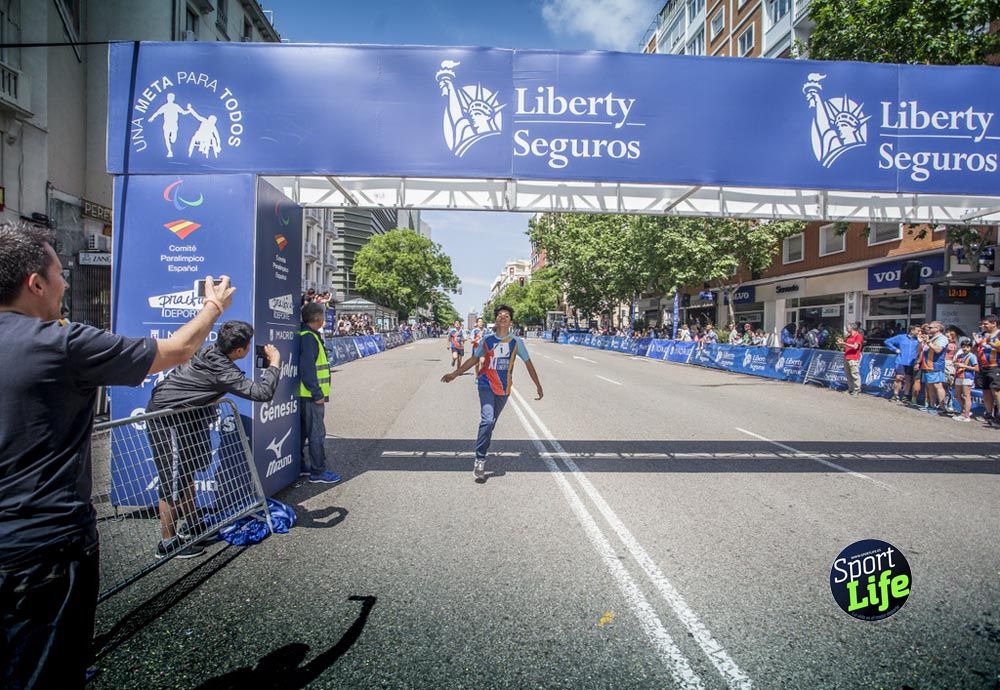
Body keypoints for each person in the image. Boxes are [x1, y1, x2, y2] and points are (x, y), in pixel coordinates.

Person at [0, 222, 234, 689]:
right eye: (61, 272)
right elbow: (178, 349)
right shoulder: (62, 344)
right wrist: (212, 306)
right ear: (36, 283)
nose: (66, 282)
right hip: (45, 548)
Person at [146, 321, 281, 558]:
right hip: (167, 417)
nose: (250, 349)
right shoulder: (224, 370)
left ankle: (193, 524)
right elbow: (262, 393)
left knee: (186, 472)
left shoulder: (211, 350)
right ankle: (167, 543)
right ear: (239, 351)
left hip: (186, 416)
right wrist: (275, 364)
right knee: (172, 479)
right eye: (248, 346)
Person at [441, 304, 543, 481]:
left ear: (511, 321)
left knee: (491, 424)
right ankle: (480, 459)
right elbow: (474, 359)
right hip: (486, 383)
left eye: (506, 316)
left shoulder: (516, 343)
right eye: (500, 315)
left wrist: (538, 385)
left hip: (503, 388)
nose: (503, 317)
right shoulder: (487, 340)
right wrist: (454, 374)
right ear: (495, 320)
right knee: (487, 420)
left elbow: (528, 364)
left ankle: (483, 448)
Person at [299, 303, 340, 484]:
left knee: (303, 434)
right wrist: (317, 394)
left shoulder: (307, 335)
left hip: (304, 394)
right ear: (318, 318)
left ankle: (301, 467)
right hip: (310, 396)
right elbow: (308, 369)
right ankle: (318, 471)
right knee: (316, 434)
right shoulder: (309, 338)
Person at [917, 321, 950, 415]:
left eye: (931, 327)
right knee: (930, 386)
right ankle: (931, 405)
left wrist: (928, 342)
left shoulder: (942, 338)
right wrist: (921, 342)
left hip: (936, 365)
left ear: (938, 328)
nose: (929, 329)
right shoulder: (931, 338)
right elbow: (920, 350)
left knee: (937, 385)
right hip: (927, 366)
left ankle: (942, 407)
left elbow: (938, 350)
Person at [974, 316, 1000, 421]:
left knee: (996, 390)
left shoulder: (998, 334)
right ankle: (989, 413)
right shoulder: (981, 335)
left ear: (994, 323)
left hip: (996, 366)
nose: (983, 326)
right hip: (983, 366)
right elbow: (972, 350)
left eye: (986, 324)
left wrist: (989, 343)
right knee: (986, 391)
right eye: (983, 324)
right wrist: (977, 343)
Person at [885, 325, 920, 403]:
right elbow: (887, 341)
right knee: (898, 378)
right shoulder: (901, 337)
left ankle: (906, 395)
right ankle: (895, 395)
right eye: (917, 330)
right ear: (912, 330)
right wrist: (895, 349)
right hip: (900, 361)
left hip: (911, 362)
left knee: (908, 379)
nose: (919, 332)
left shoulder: (918, 340)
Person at [952, 337, 979, 422]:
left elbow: (976, 368)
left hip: (967, 377)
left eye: (967, 347)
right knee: (957, 395)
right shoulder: (960, 355)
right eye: (963, 347)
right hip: (959, 376)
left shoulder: (972, 356)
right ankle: (964, 411)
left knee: (966, 395)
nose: (965, 348)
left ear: (970, 348)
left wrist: (964, 366)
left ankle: (967, 415)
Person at [837, 322, 863, 397]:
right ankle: (851, 389)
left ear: (852, 328)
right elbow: (846, 345)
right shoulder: (848, 336)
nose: (846, 328)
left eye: (848, 327)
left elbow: (855, 347)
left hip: (854, 358)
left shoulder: (858, 336)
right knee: (848, 374)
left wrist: (844, 343)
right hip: (847, 357)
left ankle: (857, 390)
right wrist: (841, 343)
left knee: (855, 374)